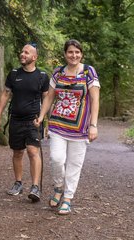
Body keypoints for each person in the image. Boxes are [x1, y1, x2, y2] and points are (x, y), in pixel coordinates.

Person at [34, 39, 100, 214]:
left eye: (77, 52)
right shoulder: (58, 72)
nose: (74, 55)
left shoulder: (88, 72)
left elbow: (95, 99)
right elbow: (49, 97)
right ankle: (58, 187)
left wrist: (93, 125)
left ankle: (68, 197)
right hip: (57, 124)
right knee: (56, 159)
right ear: (65, 54)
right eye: (70, 52)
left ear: (81, 54)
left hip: (80, 129)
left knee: (74, 164)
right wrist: (41, 116)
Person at [0, 42, 49, 202]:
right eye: (22, 52)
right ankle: (18, 183)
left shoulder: (42, 76)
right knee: (17, 152)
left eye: (26, 52)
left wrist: (44, 118)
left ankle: (35, 187)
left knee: (33, 151)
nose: (22, 54)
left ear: (34, 57)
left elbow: (46, 98)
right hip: (15, 120)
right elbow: (5, 95)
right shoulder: (14, 74)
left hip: (34, 121)